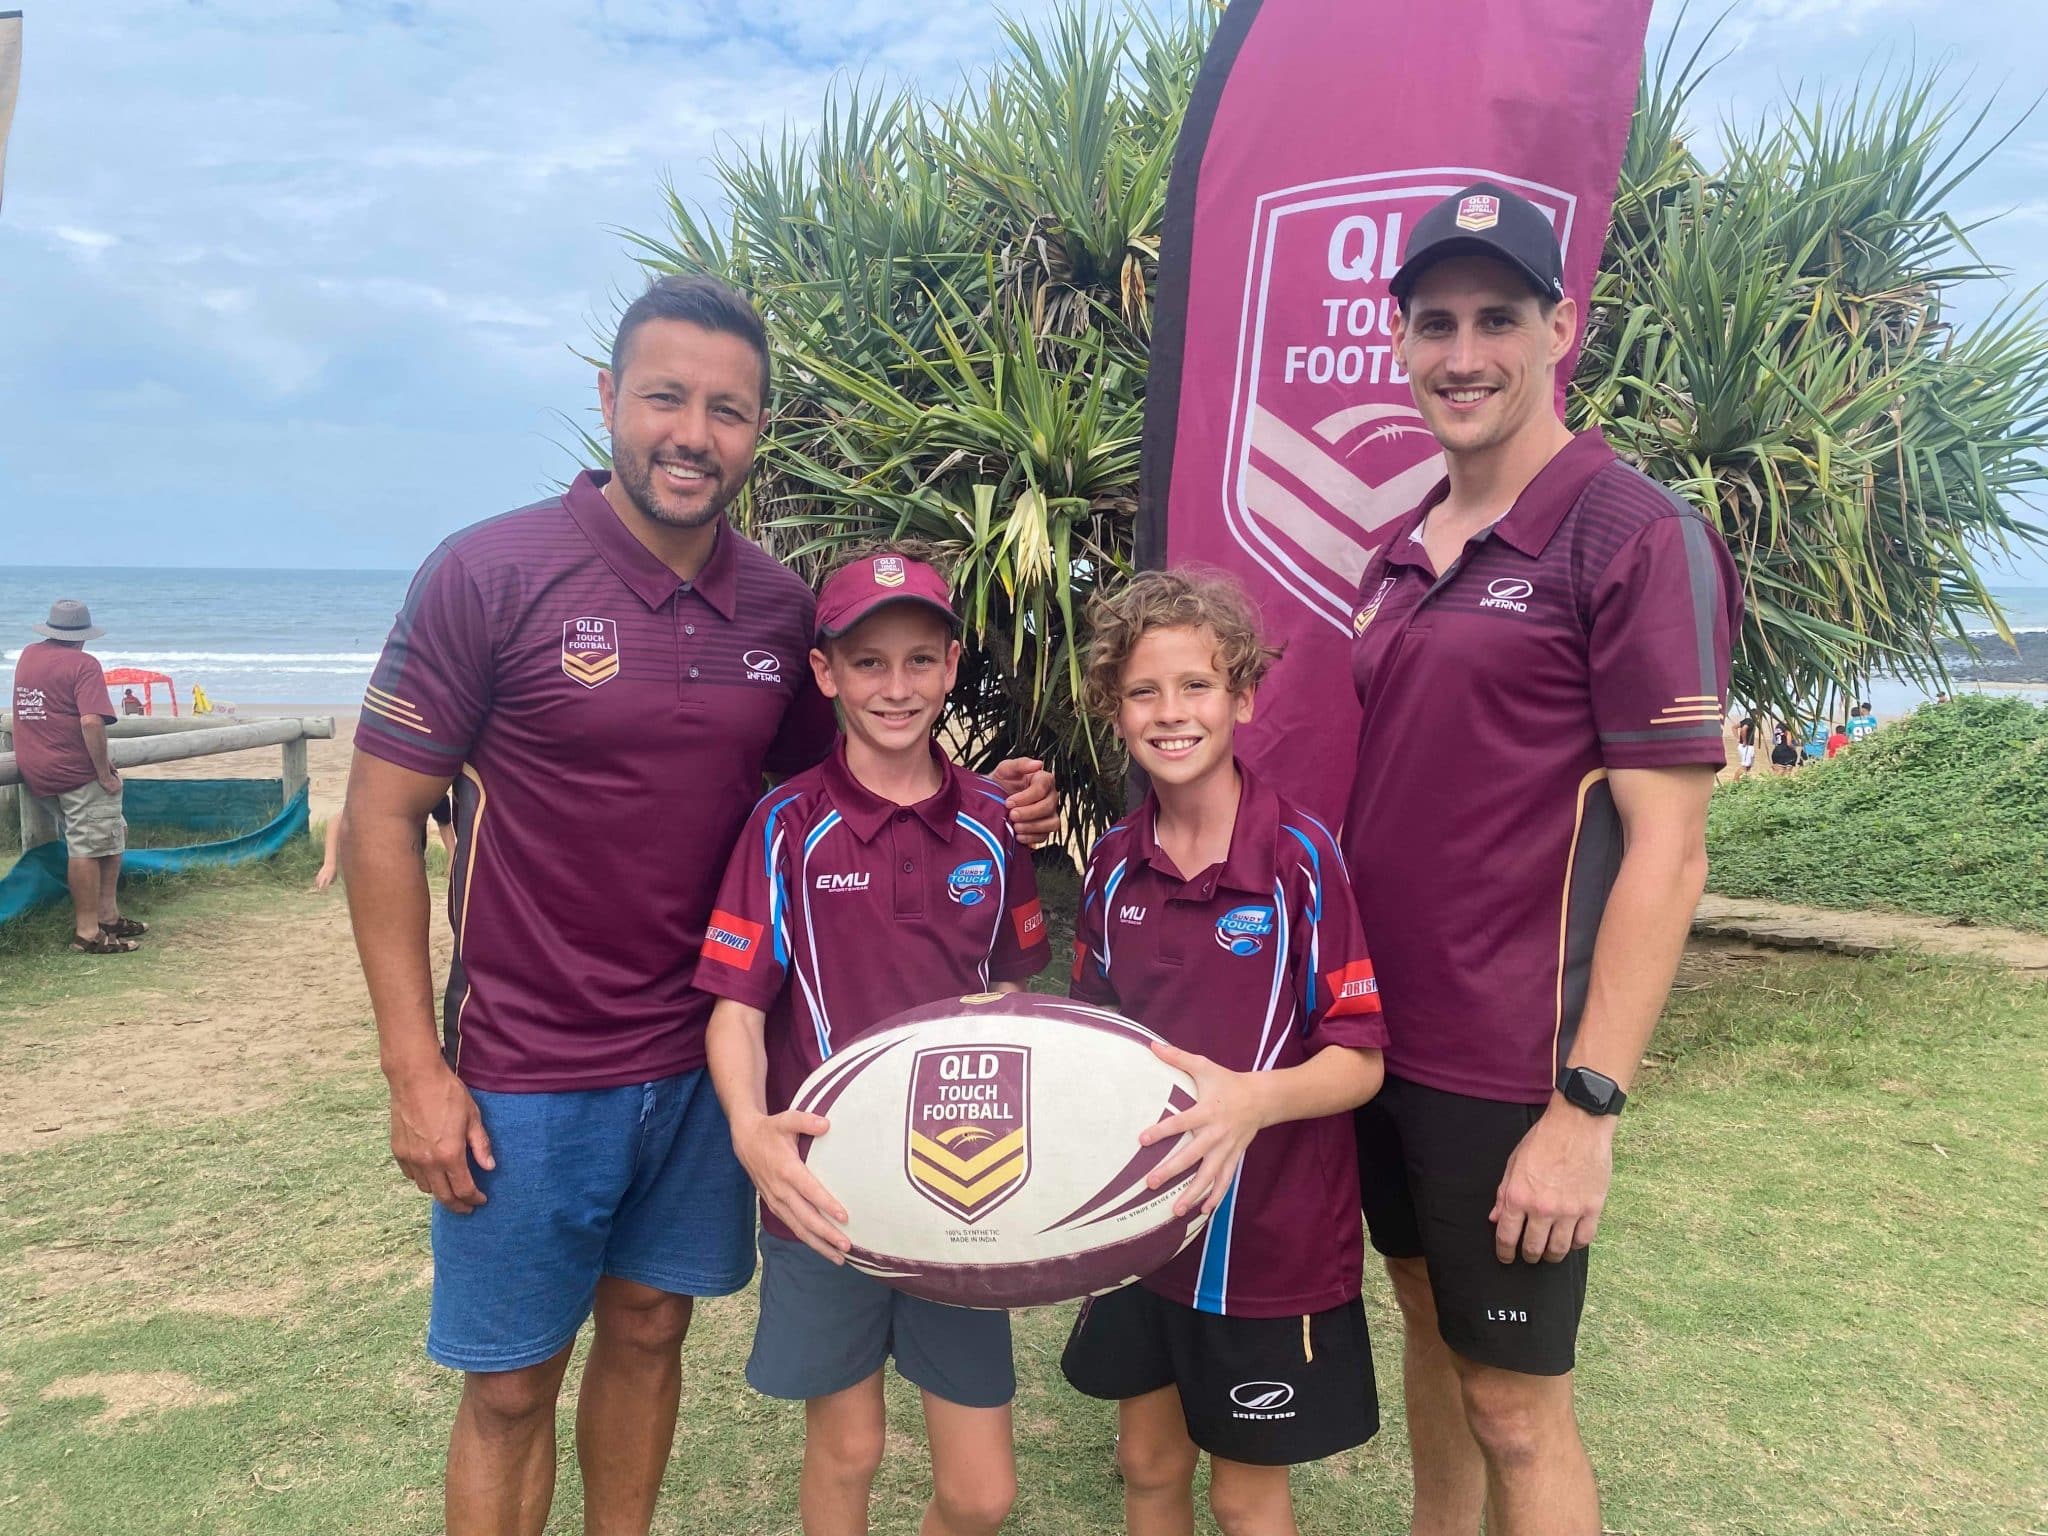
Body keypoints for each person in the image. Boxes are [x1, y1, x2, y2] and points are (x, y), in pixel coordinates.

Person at [341, 274, 1057, 1536]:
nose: (692, 433)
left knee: (650, 1328)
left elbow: (839, 778)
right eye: (665, 396)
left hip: (706, 1053)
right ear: (609, 398)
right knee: (508, 1390)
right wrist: (414, 1066)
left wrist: (986, 796)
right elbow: (380, 822)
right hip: (527, 1061)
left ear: (758, 430)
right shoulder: (487, 572)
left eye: (728, 410)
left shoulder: (783, 609)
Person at [1341, 183, 1741, 1536]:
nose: (1465, 353)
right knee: (1429, 1331)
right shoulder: (1401, 553)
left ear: (1560, 327)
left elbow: (1672, 854)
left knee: (1518, 1405)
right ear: (1398, 340)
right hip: (1382, 1037)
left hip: (1513, 1066)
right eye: (1436, 321)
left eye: (1498, 317)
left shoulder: (1631, 533)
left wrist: (1587, 1110)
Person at [697, 546, 1051, 1536]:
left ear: (948, 668)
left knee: (982, 1499)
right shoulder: (782, 826)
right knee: (846, 1450)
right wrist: (750, 1132)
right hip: (823, 1193)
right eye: (866, 662)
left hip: (962, 1186)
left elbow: (1017, 990)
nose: (894, 688)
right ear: (824, 674)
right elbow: (733, 1007)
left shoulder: (993, 824)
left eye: (917, 661)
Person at [1062, 569, 1388, 1536]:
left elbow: (1360, 1058)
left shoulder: (1300, 858)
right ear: (1114, 710)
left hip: (1268, 1241)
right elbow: (1096, 1037)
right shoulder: (1114, 862)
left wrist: (1249, 1102)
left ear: (1243, 697)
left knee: (1247, 1494)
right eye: (1144, 692)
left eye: (1196, 686)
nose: (1172, 714)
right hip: (1138, 1229)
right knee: (1147, 1462)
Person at [9, 599, 148, 954]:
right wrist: (104, 773)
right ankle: (88, 932)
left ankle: (108, 915)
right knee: (87, 846)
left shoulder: (28, 655)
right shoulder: (84, 664)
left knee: (111, 832)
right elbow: (90, 721)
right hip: (75, 770)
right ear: (83, 636)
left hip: (35, 766)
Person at [313, 790, 455, 891]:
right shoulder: (383, 786)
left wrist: (452, 857)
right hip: (376, 862)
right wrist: (330, 864)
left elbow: (445, 824)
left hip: (412, 864)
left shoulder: (432, 788)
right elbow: (337, 821)